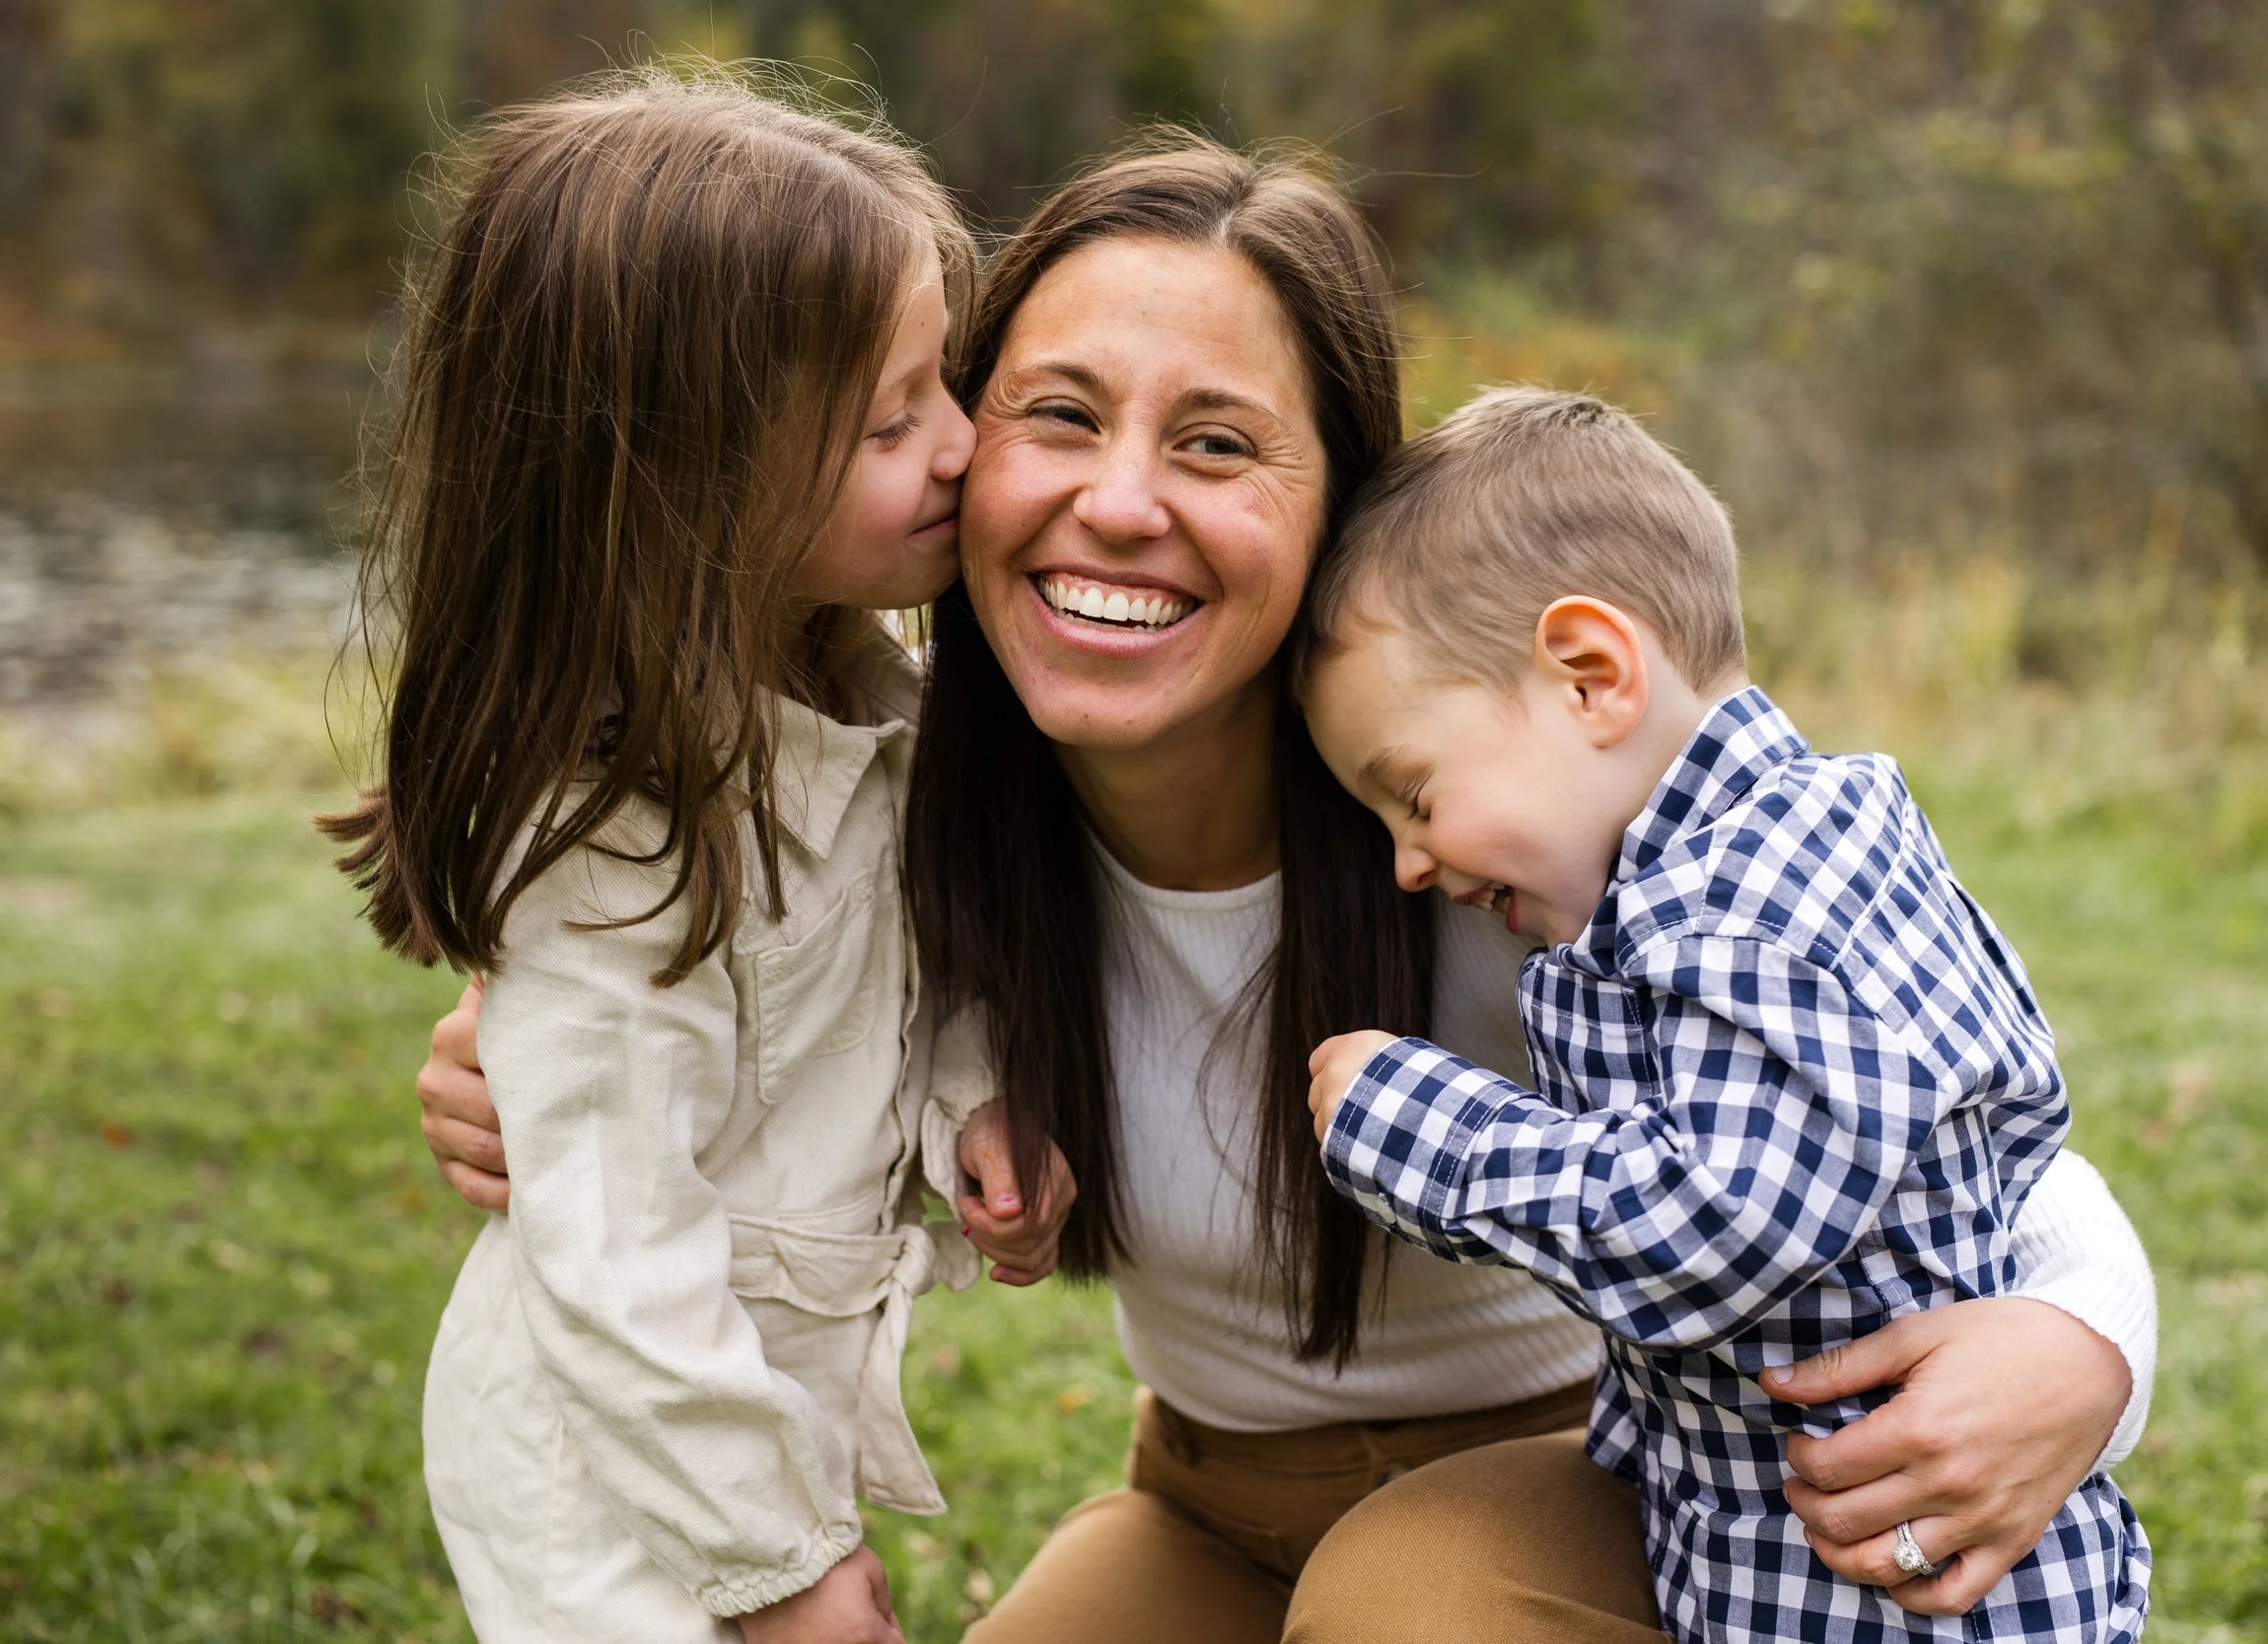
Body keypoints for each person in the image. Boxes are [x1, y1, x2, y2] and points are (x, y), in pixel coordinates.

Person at [415, 132, 2161, 1643]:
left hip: (1577, 1481)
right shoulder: (915, 791)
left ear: (1340, 505)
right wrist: (528, 1064)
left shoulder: (1495, 828)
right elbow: (679, 995)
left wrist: (2084, 1349)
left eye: (1218, 445)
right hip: (1207, 1503)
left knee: (1412, 1602)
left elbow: (1936, 1114)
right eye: (1055, 414)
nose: (1116, 503)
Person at [323, 71, 1068, 1644]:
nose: (963, 447)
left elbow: (908, 973)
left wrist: (972, 1095)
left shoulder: (874, 709)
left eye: (952, 383)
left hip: (744, 1409)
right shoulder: (603, 839)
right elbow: (615, 1256)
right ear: (685, 481)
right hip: (606, 1462)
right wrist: (779, 1562)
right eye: (893, 418)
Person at [1297, 389, 2149, 1643]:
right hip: (1784, 1573)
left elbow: (1710, 1222)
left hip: (1901, 1602)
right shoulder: (1709, 887)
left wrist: (1410, 1121)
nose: (1407, 864)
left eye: (1413, 794)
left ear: (1590, 678)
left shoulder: (1754, 903)